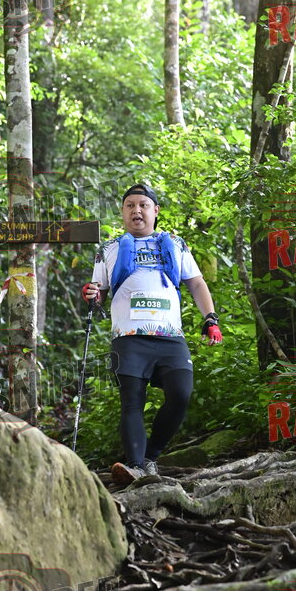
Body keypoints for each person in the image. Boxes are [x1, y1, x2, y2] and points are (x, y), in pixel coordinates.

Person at [82, 183, 223, 485]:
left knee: (180, 394)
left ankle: (150, 457)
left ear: (155, 211)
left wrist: (210, 318)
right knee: (132, 401)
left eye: (143, 205)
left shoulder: (176, 244)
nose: (137, 210)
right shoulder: (108, 249)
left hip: (170, 336)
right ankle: (135, 467)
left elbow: (197, 283)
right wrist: (92, 294)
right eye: (130, 205)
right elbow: (99, 294)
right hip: (128, 337)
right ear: (123, 211)